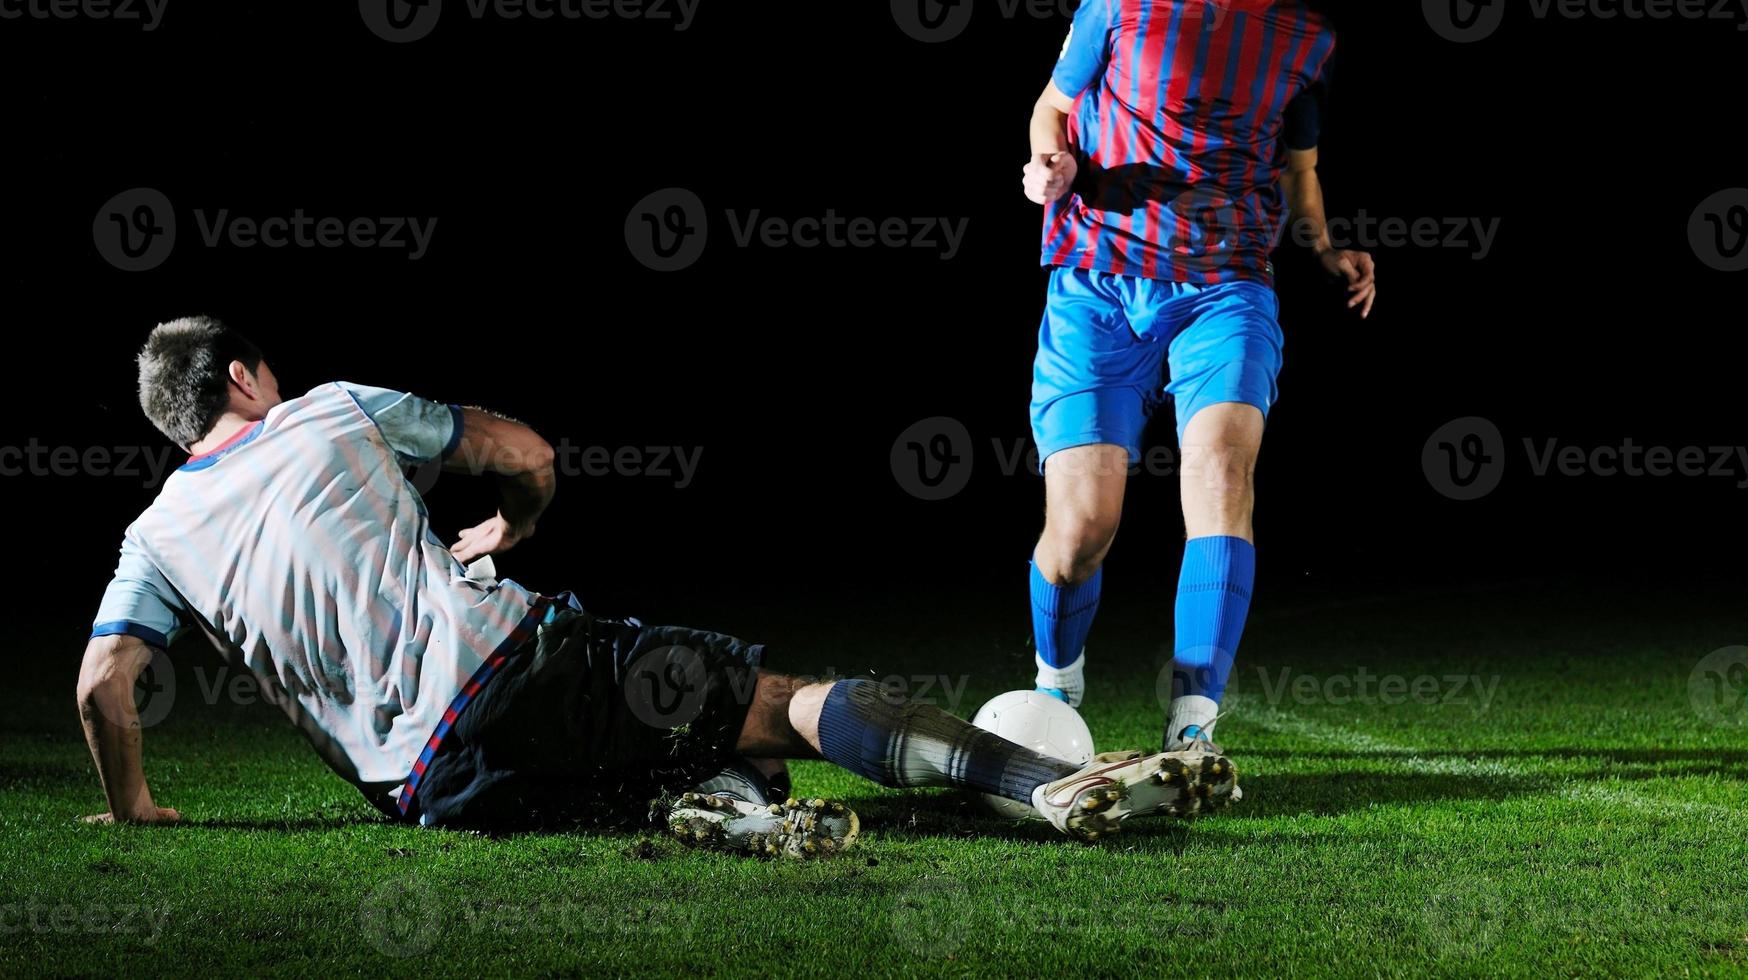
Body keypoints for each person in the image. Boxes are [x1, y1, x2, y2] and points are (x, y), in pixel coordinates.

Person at [78, 316, 1239, 859]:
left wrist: (131, 802)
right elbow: (524, 448)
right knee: (778, 698)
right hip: (512, 665)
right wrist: (510, 522)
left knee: (663, 760)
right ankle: (1049, 782)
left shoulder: (156, 533)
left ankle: (724, 812)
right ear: (241, 375)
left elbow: (103, 680)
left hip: (425, 790)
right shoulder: (323, 408)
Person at [1020, 0, 1375, 762]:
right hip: (1097, 283)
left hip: (1225, 288)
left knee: (1220, 471)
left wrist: (1324, 250)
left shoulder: (1309, 35)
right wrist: (1055, 163)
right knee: (1082, 528)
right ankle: (1056, 690)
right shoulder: (1117, 8)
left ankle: (1193, 729)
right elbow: (1052, 108)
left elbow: (1300, 174)